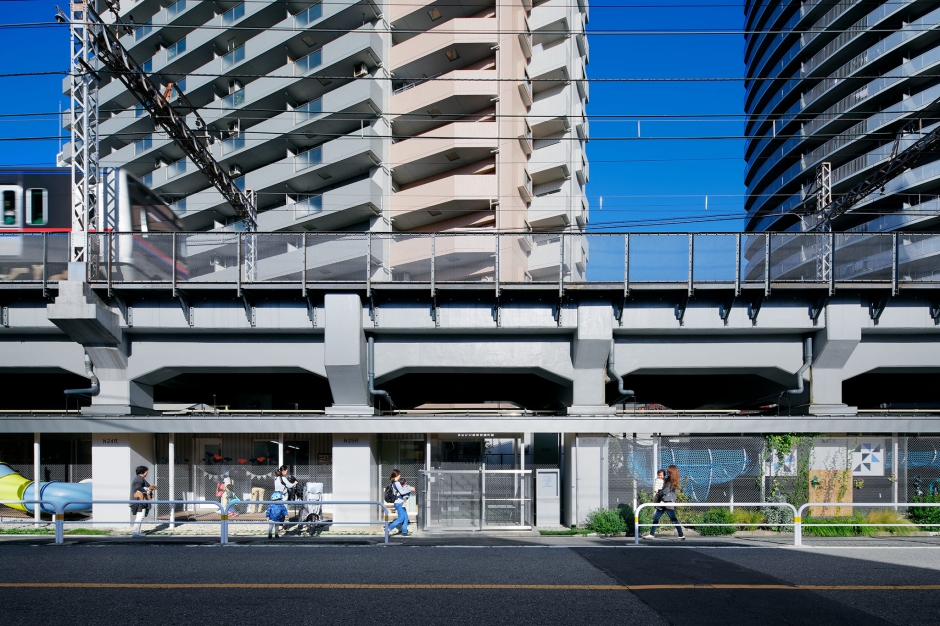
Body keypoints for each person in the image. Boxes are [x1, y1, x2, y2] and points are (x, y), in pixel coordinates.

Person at [644, 465, 685, 540]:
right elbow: (663, 490)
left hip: (668, 502)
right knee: (656, 517)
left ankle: (681, 535)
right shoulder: (668, 480)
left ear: (671, 472)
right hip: (663, 501)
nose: (667, 472)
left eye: (668, 471)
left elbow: (665, 491)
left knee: (673, 518)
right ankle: (651, 534)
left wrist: (658, 494)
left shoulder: (671, 481)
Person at [130, 465, 155, 538]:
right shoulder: (139, 479)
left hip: (139, 500)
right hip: (140, 500)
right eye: (146, 471)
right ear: (143, 472)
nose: (147, 473)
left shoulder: (138, 478)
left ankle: (137, 531)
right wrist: (147, 490)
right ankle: (136, 532)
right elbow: (139, 488)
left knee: (140, 516)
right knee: (140, 516)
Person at [386, 469, 413, 536]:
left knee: (405, 517)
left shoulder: (394, 483)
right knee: (401, 519)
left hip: (400, 502)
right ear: (396, 475)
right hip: (399, 503)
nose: (400, 475)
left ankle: (404, 532)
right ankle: (388, 529)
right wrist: (410, 489)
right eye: (399, 474)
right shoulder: (397, 483)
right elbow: (402, 492)